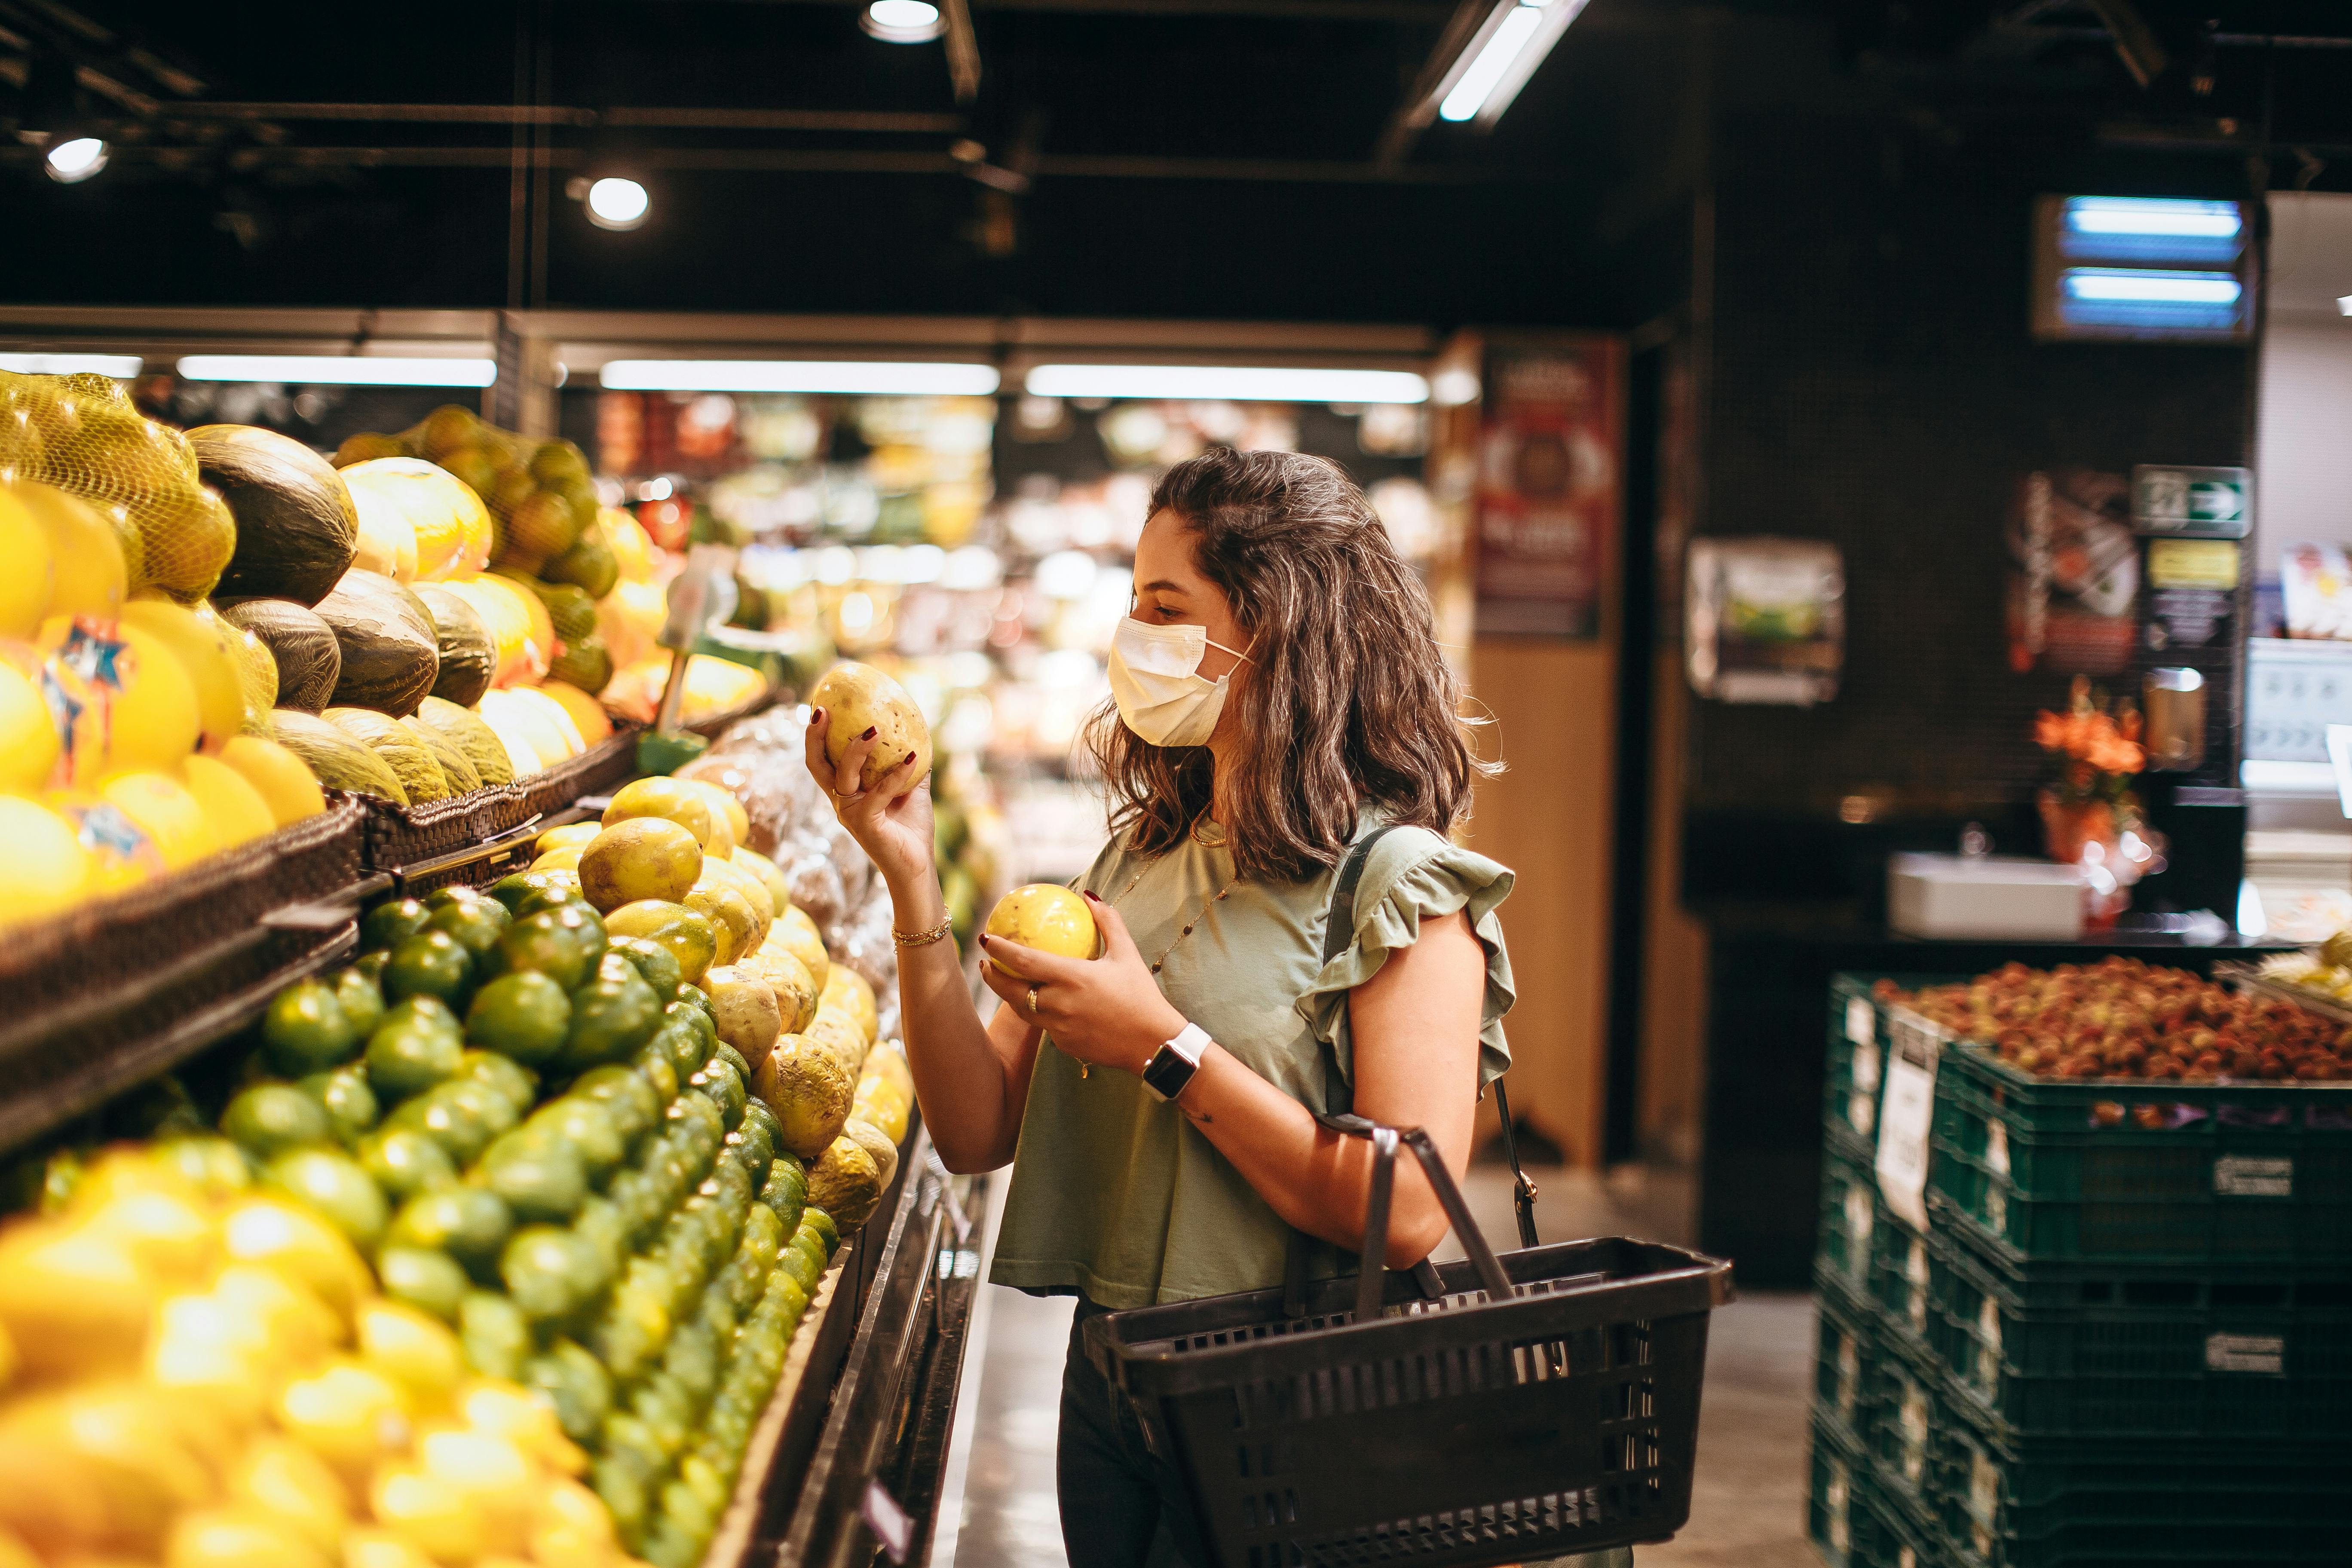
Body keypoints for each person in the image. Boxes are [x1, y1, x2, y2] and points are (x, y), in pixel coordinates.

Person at [807, 448, 1604, 1568]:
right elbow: (974, 1127)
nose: (1131, 634)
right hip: (1112, 1381)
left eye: (1164, 605)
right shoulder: (1137, 853)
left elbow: (1410, 1209)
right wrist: (909, 875)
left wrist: (1163, 1049)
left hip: (1294, 1398)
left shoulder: (1398, 886)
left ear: (1274, 624)